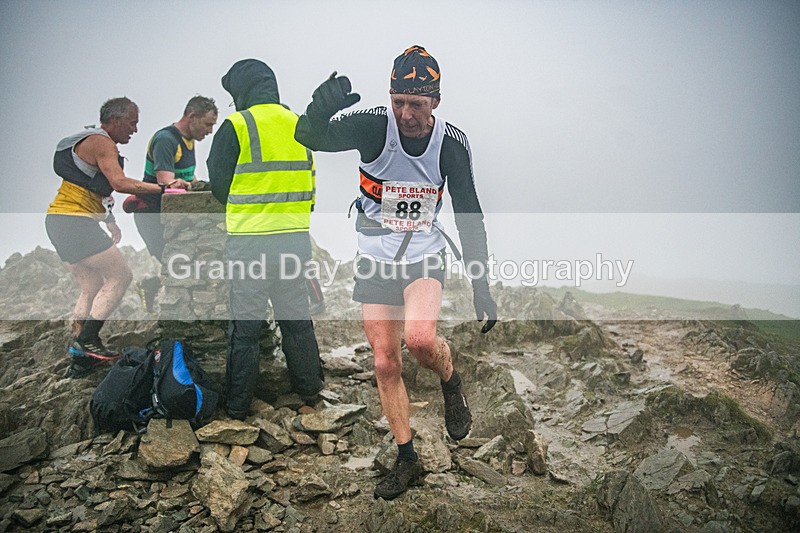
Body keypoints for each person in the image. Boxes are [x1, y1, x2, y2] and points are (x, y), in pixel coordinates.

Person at [295, 45, 497, 500]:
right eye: (399, 102)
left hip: (423, 253)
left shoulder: (450, 144)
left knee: (421, 340)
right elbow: (310, 137)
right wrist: (319, 108)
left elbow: (469, 214)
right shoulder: (373, 125)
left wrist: (482, 286)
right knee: (385, 360)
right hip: (375, 259)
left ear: (435, 103)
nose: (406, 114)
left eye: (417, 104)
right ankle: (408, 459)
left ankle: (451, 380)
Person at [207, 59, 324, 420]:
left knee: (245, 326)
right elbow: (310, 181)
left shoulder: (236, 125)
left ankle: (239, 405)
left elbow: (219, 186)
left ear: (242, 90)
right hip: (293, 238)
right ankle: (310, 391)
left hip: (250, 241)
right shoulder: (298, 124)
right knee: (296, 317)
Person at [46, 97, 185, 378]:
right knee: (121, 276)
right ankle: (86, 341)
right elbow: (119, 183)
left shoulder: (92, 142)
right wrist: (163, 189)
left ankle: (80, 360)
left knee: (92, 283)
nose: (134, 130)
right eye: (132, 122)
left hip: (59, 220)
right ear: (116, 119)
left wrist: (110, 221)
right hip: (75, 221)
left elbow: (97, 188)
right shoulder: (102, 142)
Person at [129, 96, 218, 310]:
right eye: (208, 124)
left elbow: (188, 177)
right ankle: (151, 288)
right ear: (192, 116)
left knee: (191, 267)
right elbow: (167, 183)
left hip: (173, 218)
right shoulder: (166, 139)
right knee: (178, 267)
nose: (210, 131)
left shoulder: (189, 141)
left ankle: (152, 284)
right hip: (151, 215)